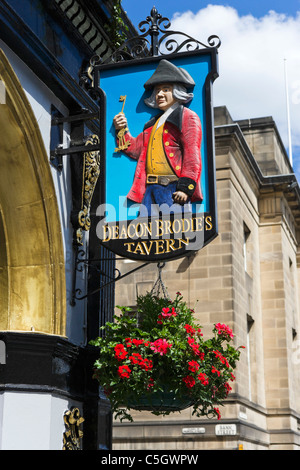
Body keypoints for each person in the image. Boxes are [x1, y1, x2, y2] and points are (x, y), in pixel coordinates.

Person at [113, 59, 203, 217]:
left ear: (177, 91)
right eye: (158, 90)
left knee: (175, 235)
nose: (160, 94)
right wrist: (121, 130)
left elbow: (192, 155)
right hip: (150, 189)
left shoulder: (187, 117)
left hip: (173, 190)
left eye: (166, 89)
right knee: (146, 236)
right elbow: (134, 149)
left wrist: (185, 188)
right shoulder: (152, 124)